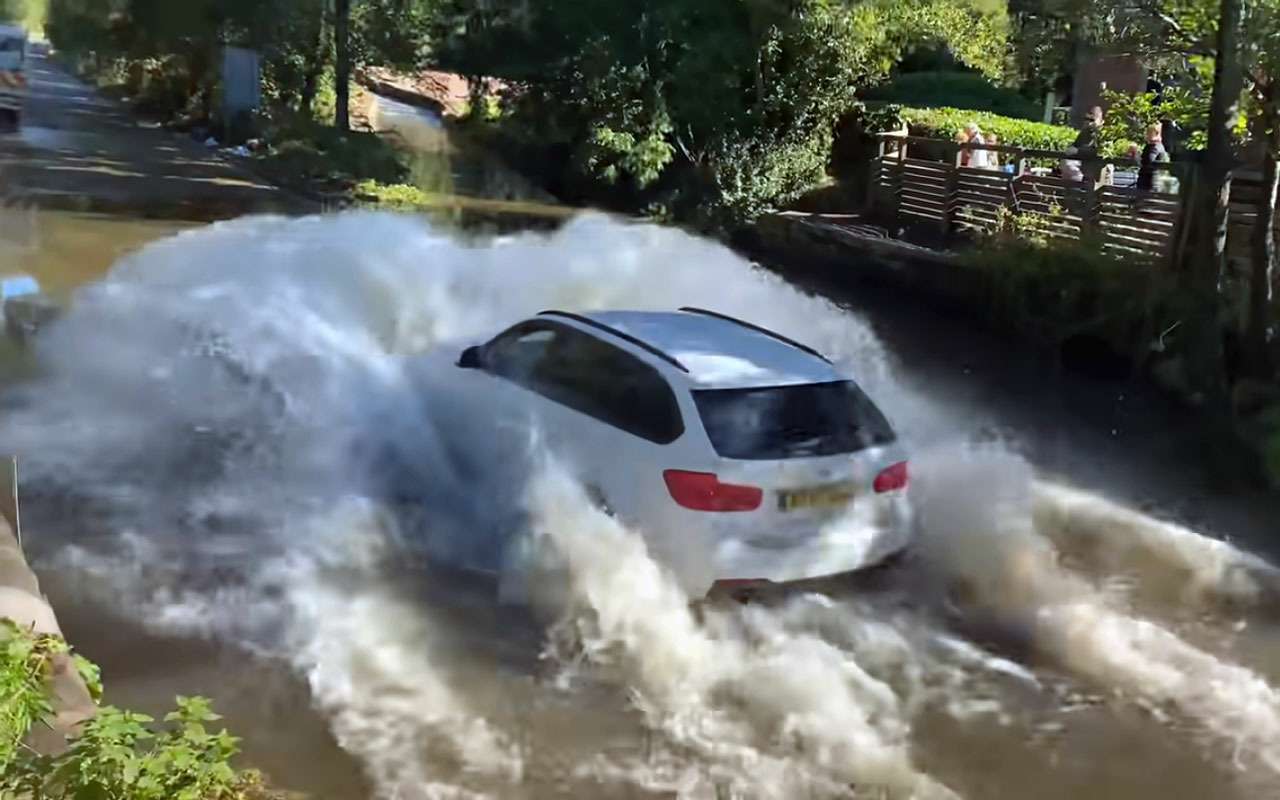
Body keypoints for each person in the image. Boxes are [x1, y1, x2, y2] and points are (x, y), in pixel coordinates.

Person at [1137, 122, 1168, 191]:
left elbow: (1148, 161)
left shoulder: (1154, 147)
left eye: (1149, 132)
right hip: (1148, 181)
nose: (1146, 134)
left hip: (1150, 183)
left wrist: (1138, 158)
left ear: (1156, 133)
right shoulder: (1154, 146)